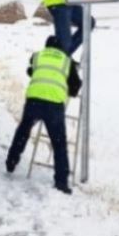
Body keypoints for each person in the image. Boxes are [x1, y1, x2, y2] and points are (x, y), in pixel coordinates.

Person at [6, 36, 81, 194]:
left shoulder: (37, 56)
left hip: (34, 101)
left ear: (46, 46)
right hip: (54, 105)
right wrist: (70, 91)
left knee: (23, 130)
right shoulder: (67, 61)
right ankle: (61, 182)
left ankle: (11, 161)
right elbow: (75, 86)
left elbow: (30, 71)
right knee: (59, 144)